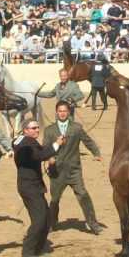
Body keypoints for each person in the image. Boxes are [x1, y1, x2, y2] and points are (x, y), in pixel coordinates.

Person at [43, 101, 104, 235]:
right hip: (56, 171)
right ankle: (51, 223)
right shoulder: (49, 130)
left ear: (69, 112)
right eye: (60, 111)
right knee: (55, 199)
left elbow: (87, 140)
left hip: (74, 169)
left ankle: (93, 224)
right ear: (56, 112)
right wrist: (49, 159)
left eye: (65, 111)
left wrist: (96, 153)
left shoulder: (76, 127)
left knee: (83, 194)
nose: (62, 113)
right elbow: (46, 148)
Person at [13, 118, 65, 257]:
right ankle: (27, 252)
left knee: (46, 217)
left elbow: (40, 151)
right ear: (26, 130)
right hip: (29, 187)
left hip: (33, 186)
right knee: (39, 220)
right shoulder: (27, 144)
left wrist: (51, 151)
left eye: (37, 127)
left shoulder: (24, 141)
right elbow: (38, 155)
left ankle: (37, 249)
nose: (37, 130)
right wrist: (56, 145)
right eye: (33, 128)